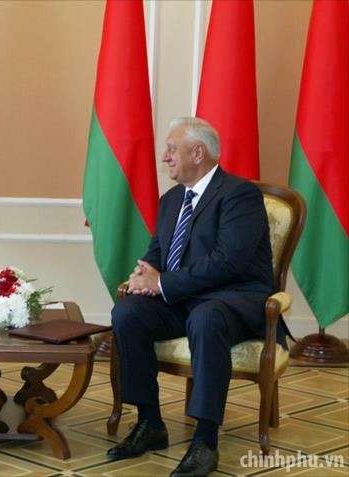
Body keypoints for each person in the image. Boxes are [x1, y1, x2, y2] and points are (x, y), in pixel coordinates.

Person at [107, 118, 282, 477]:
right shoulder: (171, 200)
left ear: (198, 152)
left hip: (234, 300)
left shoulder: (239, 194)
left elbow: (228, 261)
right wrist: (143, 276)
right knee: (127, 313)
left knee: (206, 317)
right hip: (184, 299)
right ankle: (150, 422)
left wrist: (162, 283)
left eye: (172, 149)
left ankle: (205, 441)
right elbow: (157, 254)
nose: (165, 157)